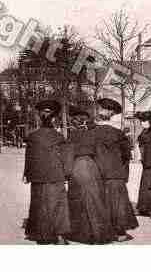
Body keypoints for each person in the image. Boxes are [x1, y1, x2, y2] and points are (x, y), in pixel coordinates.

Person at [23, 100, 71, 245]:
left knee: (39, 204)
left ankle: (42, 235)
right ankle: (60, 235)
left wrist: (27, 174)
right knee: (58, 204)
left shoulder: (32, 137)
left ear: (39, 117)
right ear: (54, 118)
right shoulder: (59, 137)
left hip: (38, 176)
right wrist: (67, 175)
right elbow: (65, 158)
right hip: (56, 176)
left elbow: (29, 157)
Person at [66, 105, 114, 244]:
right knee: (95, 199)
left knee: (79, 199)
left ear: (74, 121)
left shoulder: (73, 135)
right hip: (92, 167)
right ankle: (99, 232)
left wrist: (67, 173)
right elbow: (100, 153)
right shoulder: (94, 133)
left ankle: (82, 233)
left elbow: (69, 154)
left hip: (78, 167)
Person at [93, 98, 138, 242]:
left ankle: (102, 232)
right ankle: (120, 233)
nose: (98, 111)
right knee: (118, 204)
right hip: (115, 174)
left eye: (100, 109)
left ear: (108, 112)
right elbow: (127, 155)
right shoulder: (119, 134)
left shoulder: (92, 132)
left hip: (98, 173)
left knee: (101, 202)